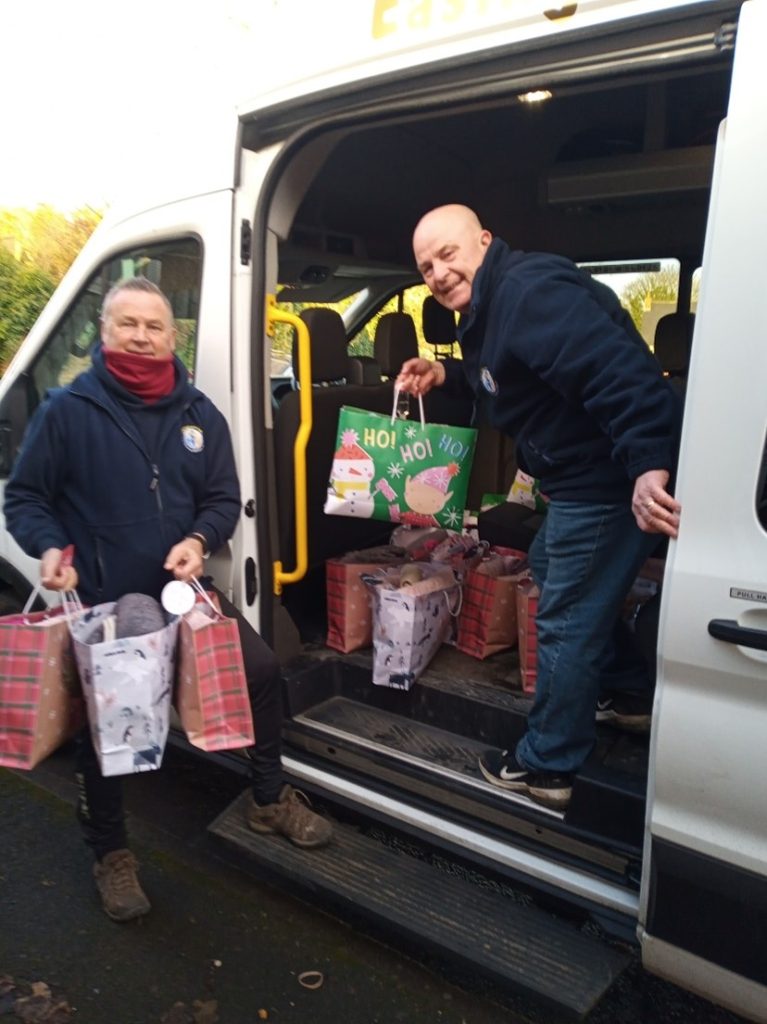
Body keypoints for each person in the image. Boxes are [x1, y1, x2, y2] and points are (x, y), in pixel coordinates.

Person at [4, 277, 332, 922]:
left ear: (171, 336)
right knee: (109, 727)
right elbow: (24, 499)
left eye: (153, 326)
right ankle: (111, 853)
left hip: (181, 591)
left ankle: (268, 799)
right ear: (103, 332)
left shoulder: (198, 413)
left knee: (262, 670)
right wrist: (49, 548)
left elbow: (220, 497)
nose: (140, 336)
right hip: (103, 598)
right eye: (127, 323)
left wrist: (198, 538)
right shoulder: (67, 410)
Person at [398, 204, 682, 812]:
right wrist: (444, 373)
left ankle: (546, 765)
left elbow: (618, 372)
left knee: (565, 620)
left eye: (448, 254)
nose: (439, 273)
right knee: (556, 572)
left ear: (484, 240)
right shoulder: (489, 310)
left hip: (603, 481)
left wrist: (647, 464)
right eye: (426, 267)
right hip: (582, 480)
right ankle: (628, 694)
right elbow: (503, 378)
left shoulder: (527, 294)